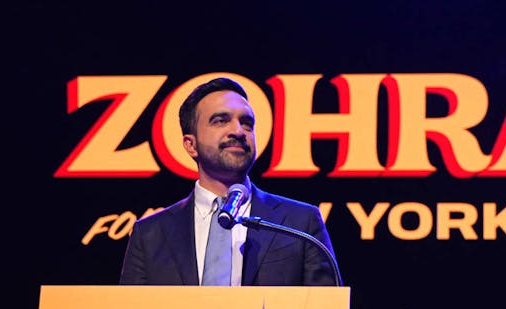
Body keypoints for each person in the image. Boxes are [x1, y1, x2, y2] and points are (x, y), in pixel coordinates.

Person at [119, 77, 340, 287]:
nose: (238, 131)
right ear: (190, 145)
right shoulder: (149, 235)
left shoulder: (300, 223)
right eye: (220, 121)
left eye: (246, 123)